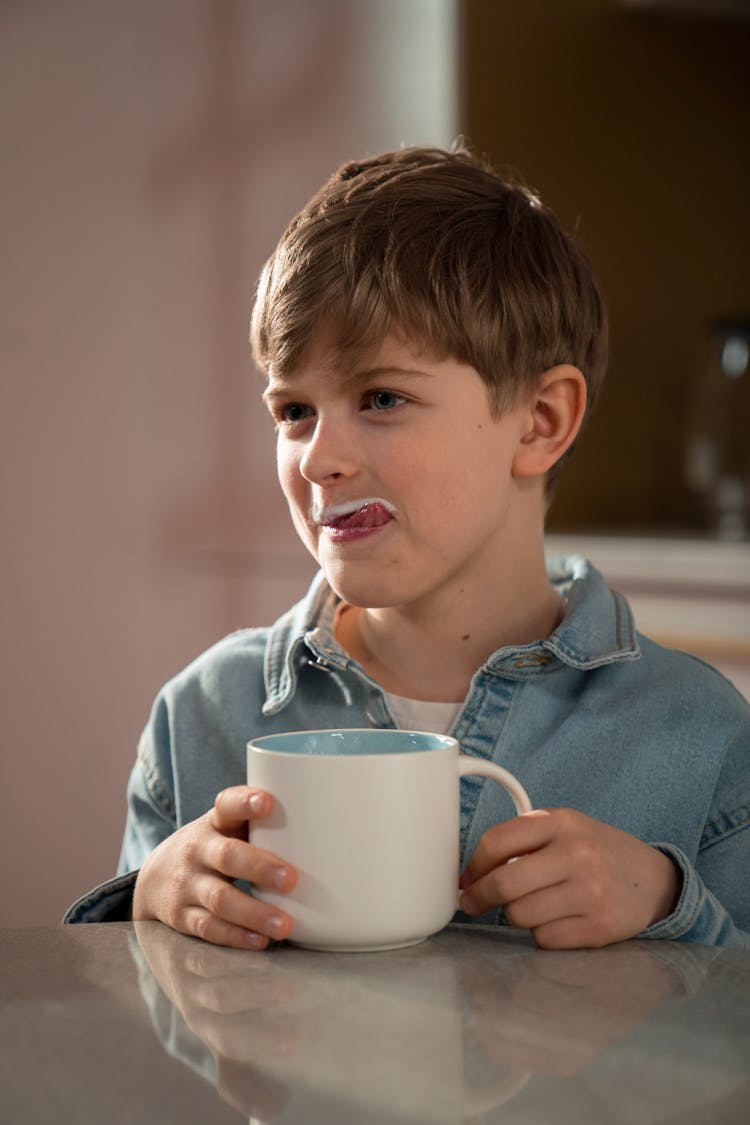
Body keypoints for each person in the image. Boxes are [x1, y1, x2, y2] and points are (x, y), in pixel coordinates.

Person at [65, 144, 750, 950]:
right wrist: (146, 905)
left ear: (540, 422)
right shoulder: (200, 717)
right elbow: (132, 1048)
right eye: (293, 410)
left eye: (381, 397)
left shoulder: (700, 732)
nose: (318, 457)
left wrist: (674, 904)